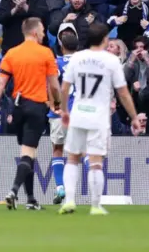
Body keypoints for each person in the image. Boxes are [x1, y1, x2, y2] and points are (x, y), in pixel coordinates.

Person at [58, 24, 142, 215]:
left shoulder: (77, 58)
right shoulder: (111, 60)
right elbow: (122, 92)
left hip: (78, 112)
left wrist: (64, 110)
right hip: (99, 116)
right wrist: (134, 117)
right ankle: (95, 206)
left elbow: (64, 88)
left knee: (72, 158)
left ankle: (69, 201)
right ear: (105, 39)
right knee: (95, 161)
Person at [0, 17, 60, 211]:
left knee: (29, 153)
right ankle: (13, 191)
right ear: (35, 32)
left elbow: (1, 84)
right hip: (36, 107)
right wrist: (58, 104)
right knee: (28, 153)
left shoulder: (12, 53)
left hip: (17, 108)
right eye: (42, 30)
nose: (44, 33)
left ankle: (31, 199)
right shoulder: (45, 53)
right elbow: (53, 84)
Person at [47, 25, 78, 204]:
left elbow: (52, 85)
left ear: (60, 44)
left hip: (60, 114)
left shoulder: (56, 63)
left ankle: (60, 187)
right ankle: (96, 191)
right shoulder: (85, 62)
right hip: (80, 113)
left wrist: (54, 106)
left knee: (58, 149)